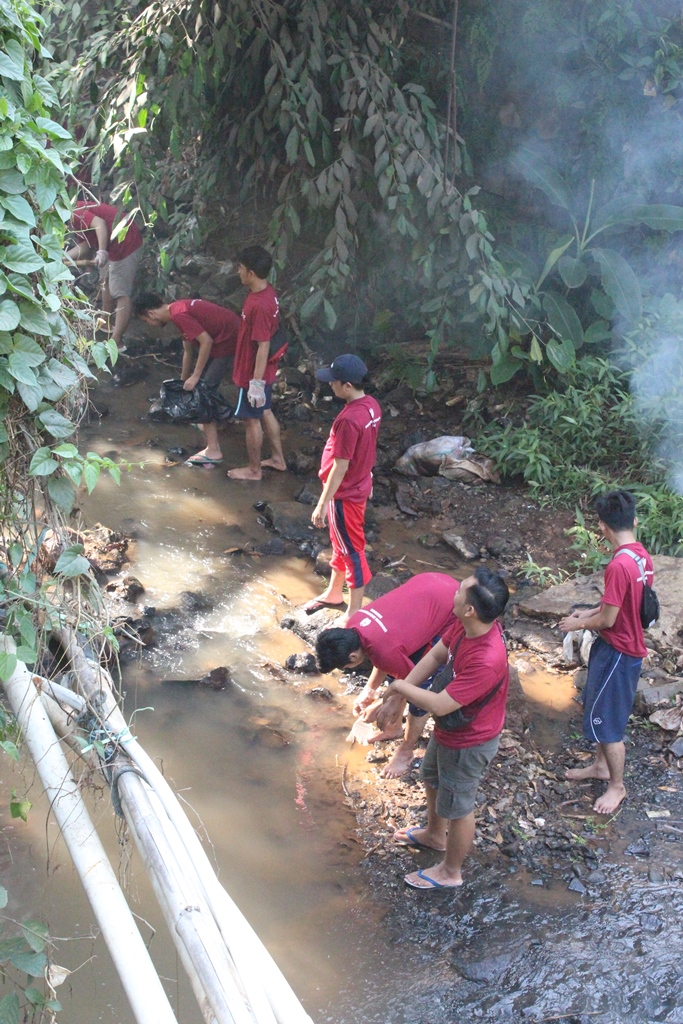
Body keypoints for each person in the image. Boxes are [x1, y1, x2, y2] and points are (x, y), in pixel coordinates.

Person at [385, 568, 510, 890]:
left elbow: (439, 704)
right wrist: (398, 693)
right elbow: (437, 655)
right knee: (432, 778)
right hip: (450, 729)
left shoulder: (487, 657)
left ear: (470, 609)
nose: (453, 593)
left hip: (470, 741)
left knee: (459, 807)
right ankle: (434, 835)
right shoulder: (464, 625)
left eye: (460, 591)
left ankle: (451, 872)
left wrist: (398, 684)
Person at [559, 490, 654, 815]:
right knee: (598, 708)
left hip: (619, 653)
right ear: (634, 521)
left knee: (610, 725)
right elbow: (618, 604)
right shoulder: (641, 555)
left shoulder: (617, 565)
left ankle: (617, 785)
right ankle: (600, 766)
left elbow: (609, 618)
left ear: (602, 527)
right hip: (618, 648)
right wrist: (583, 616)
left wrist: (576, 626)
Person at [315, 573, 460, 777]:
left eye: (346, 666)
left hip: (452, 607)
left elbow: (411, 681)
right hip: (432, 582)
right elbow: (383, 652)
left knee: (420, 696)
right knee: (400, 672)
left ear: (353, 655)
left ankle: (405, 751)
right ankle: (393, 729)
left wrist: (389, 702)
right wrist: (370, 690)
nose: (347, 669)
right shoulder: (355, 623)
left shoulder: (383, 651)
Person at [307, 354, 382, 623]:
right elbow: (368, 448)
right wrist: (368, 476)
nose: (330, 385)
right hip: (358, 485)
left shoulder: (349, 420)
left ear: (347, 386)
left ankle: (354, 610)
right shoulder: (371, 406)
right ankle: (334, 592)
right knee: (340, 543)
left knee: (352, 549)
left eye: (334, 382)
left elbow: (340, 466)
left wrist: (321, 504)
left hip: (344, 494)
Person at [134, 294, 240, 466]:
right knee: (201, 387)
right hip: (227, 335)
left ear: (151, 314)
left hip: (228, 338)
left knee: (204, 393)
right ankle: (215, 423)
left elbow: (206, 342)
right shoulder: (177, 309)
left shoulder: (179, 314)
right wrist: (183, 382)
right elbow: (188, 351)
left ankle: (213, 450)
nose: (150, 325)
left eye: (146, 321)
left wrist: (196, 376)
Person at [227, 246, 287, 480]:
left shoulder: (259, 305)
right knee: (265, 411)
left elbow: (263, 346)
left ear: (251, 273)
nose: (238, 272)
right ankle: (278, 459)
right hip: (265, 370)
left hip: (252, 371)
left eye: (241, 268)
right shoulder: (267, 292)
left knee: (251, 419)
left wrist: (255, 383)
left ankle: (254, 470)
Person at [68, 200, 143, 349]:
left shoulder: (74, 213)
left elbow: (100, 224)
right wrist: (61, 256)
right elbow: (84, 246)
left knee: (120, 292)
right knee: (105, 281)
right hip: (111, 245)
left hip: (125, 243)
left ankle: (116, 341)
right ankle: (105, 321)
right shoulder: (74, 215)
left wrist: (101, 251)